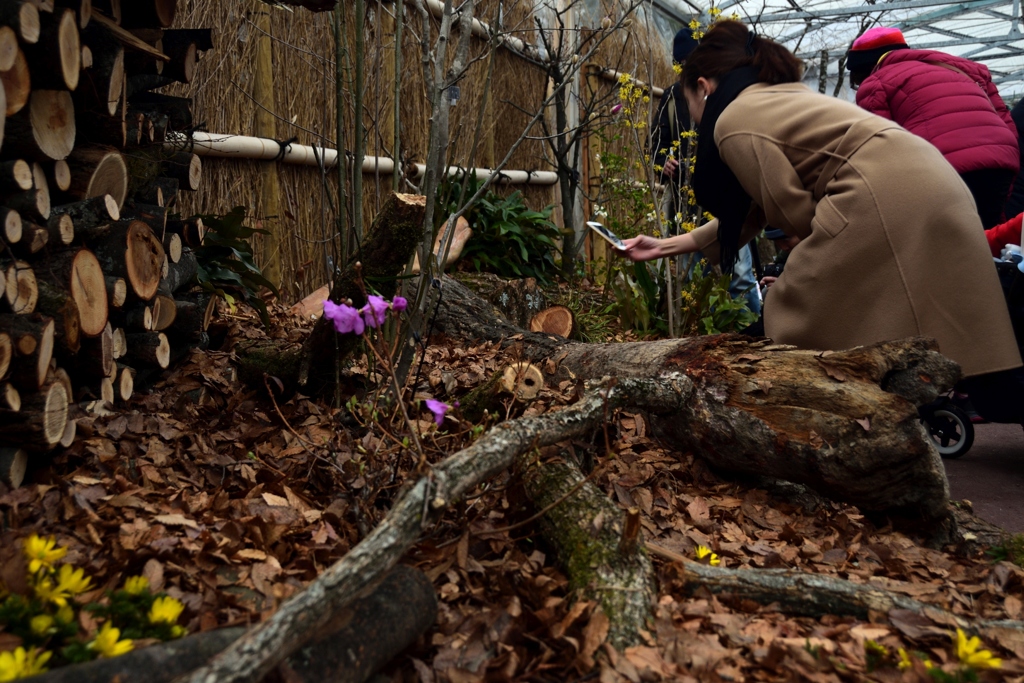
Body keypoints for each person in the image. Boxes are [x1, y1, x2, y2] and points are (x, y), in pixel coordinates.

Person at [621, 19, 1024, 422]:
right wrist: (665, 246)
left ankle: (776, 419)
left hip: (876, 192)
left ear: (704, 87)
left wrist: (802, 261)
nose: (691, 116)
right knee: (949, 336)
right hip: (934, 181)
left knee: (788, 320)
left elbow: (790, 213)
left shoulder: (732, 120)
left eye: (688, 99)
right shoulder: (778, 95)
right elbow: (750, 212)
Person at [847, 27, 1019, 229]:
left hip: (943, 169)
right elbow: (1008, 125)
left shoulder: (876, 82)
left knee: (941, 245)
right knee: (984, 241)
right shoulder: (967, 70)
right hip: (1000, 162)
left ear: (862, 69)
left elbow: (878, 148)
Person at [651, 28, 760, 315]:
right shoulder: (672, 98)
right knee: (690, 279)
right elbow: (657, 144)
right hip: (685, 205)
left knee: (739, 277)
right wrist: (663, 164)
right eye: (682, 64)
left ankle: (756, 329)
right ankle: (700, 334)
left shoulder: (728, 96)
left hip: (726, 201)